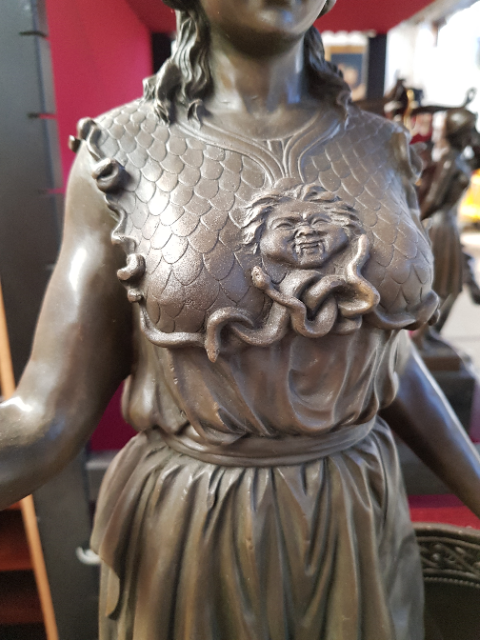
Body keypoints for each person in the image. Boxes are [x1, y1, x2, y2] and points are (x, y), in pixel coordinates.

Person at [2, 0, 480, 638]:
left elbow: (386, 351)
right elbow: (44, 416)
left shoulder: (381, 146)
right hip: (198, 526)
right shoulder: (121, 153)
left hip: (359, 515)